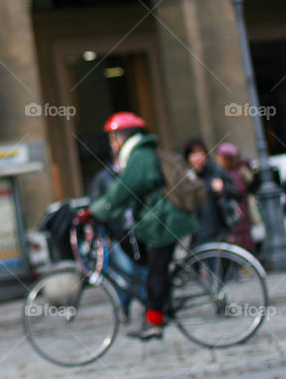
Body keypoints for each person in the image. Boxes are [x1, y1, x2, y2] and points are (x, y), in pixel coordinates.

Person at [84, 112, 198, 340]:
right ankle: (160, 307)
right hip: (159, 220)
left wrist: (96, 210)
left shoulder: (140, 155)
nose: (111, 143)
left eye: (112, 137)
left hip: (163, 222)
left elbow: (125, 188)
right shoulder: (140, 153)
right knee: (153, 268)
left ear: (122, 137)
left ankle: (154, 322)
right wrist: (108, 210)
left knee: (155, 273)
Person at [88, 156, 145, 323]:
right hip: (117, 234)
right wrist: (102, 232)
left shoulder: (133, 173)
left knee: (142, 272)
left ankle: (147, 309)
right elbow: (97, 204)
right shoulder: (103, 178)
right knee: (126, 272)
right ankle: (125, 308)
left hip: (138, 232)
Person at [185, 139, 238, 246]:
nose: (198, 157)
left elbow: (236, 192)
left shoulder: (216, 171)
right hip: (197, 233)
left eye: (200, 153)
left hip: (220, 231)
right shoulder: (186, 178)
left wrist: (223, 188)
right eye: (194, 154)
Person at [215, 143, 256, 253]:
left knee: (242, 243)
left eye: (219, 156)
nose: (217, 159)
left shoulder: (233, 174)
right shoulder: (230, 172)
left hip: (238, 215)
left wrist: (223, 189)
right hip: (238, 214)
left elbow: (238, 191)